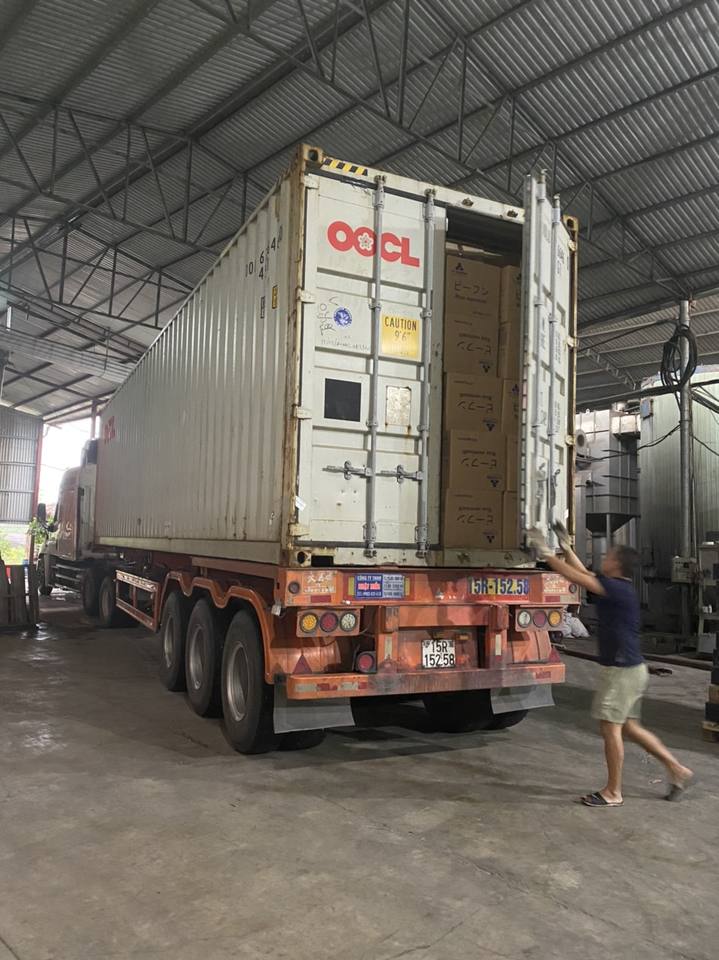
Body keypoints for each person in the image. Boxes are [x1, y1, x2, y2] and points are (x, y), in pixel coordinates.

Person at [527, 522, 693, 807]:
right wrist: (566, 547)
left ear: (617, 564)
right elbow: (584, 574)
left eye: (609, 556)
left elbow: (576, 577)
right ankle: (677, 769)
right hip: (632, 669)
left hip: (621, 672)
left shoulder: (614, 589)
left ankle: (613, 792)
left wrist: (546, 553)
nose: (604, 558)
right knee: (631, 728)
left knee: (610, 729)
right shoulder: (617, 587)